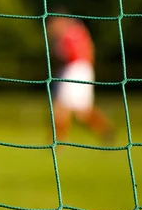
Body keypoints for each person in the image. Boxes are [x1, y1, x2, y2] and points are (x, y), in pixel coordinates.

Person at [47, 9, 115, 146]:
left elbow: (66, 54)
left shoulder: (70, 34)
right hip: (81, 69)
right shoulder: (78, 31)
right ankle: (105, 130)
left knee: (62, 106)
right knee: (80, 110)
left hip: (75, 68)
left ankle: (58, 141)